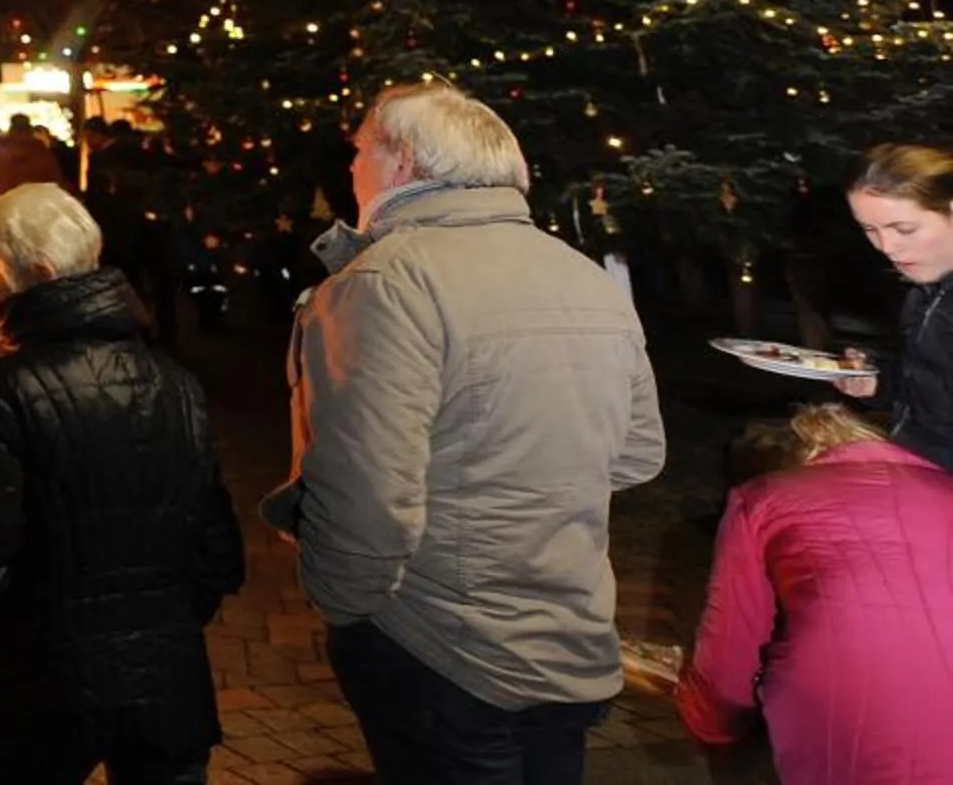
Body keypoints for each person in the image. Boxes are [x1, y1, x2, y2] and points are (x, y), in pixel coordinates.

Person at [265, 82, 664, 785]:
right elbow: (637, 453)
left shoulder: (386, 282)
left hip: (440, 645)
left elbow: (365, 495)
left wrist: (343, 605)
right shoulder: (583, 274)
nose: (350, 168)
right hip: (568, 638)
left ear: (403, 163)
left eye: (358, 151)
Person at [0, 183, 244, 783]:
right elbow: (217, 551)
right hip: (166, 682)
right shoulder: (176, 383)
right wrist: (160, 628)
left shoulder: (11, 388)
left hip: (40, 682)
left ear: (41, 274)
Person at [678, 402, 953, 782]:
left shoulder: (764, 498)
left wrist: (712, 725)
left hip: (843, 717)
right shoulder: (945, 488)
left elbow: (731, 645)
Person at [834, 142, 953, 471]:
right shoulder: (927, 291)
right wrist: (879, 381)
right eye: (870, 230)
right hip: (917, 474)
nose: (885, 246)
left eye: (904, 229)